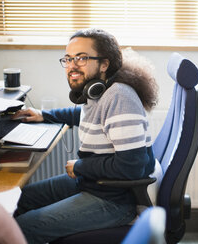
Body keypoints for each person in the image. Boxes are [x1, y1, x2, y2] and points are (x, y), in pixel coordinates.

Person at [12, 28, 159, 244]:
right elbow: (82, 114)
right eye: (68, 59)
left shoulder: (119, 98)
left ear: (104, 64)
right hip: (93, 184)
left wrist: (80, 166)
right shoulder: (99, 91)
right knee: (19, 200)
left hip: (114, 200)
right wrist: (43, 115)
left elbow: (131, 167)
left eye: (81, 58)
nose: (72, 65)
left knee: (22, 228)